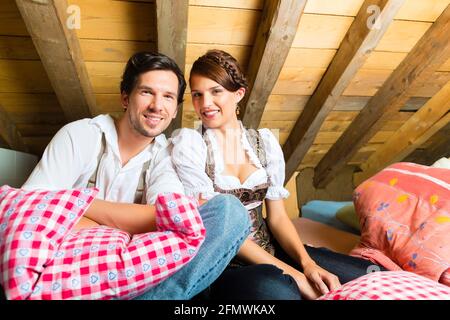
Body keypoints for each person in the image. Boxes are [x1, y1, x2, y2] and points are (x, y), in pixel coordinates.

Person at [20, 51, 251, 300]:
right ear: (125, 97)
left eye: (168, 97)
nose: (157, 105)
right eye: (146, 92)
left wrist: (75, 203)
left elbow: (167, 221)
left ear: (175, 110)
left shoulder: (166, 156)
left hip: (131, 278)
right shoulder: (80, 135)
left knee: (228, 211)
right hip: (63, 270)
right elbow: (28, 210)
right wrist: (128, 228)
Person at [171, 50, 386, 300]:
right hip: (224, 263)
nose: (205, 103)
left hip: (271, 247)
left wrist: (306, 264)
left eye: (215, 91)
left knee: (371, 275)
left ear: (238, 94)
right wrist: (296, 277)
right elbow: (216, 228)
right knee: (280, 292)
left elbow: (278, 217)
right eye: (197, 94)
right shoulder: (189, 145)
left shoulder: (264, 142)